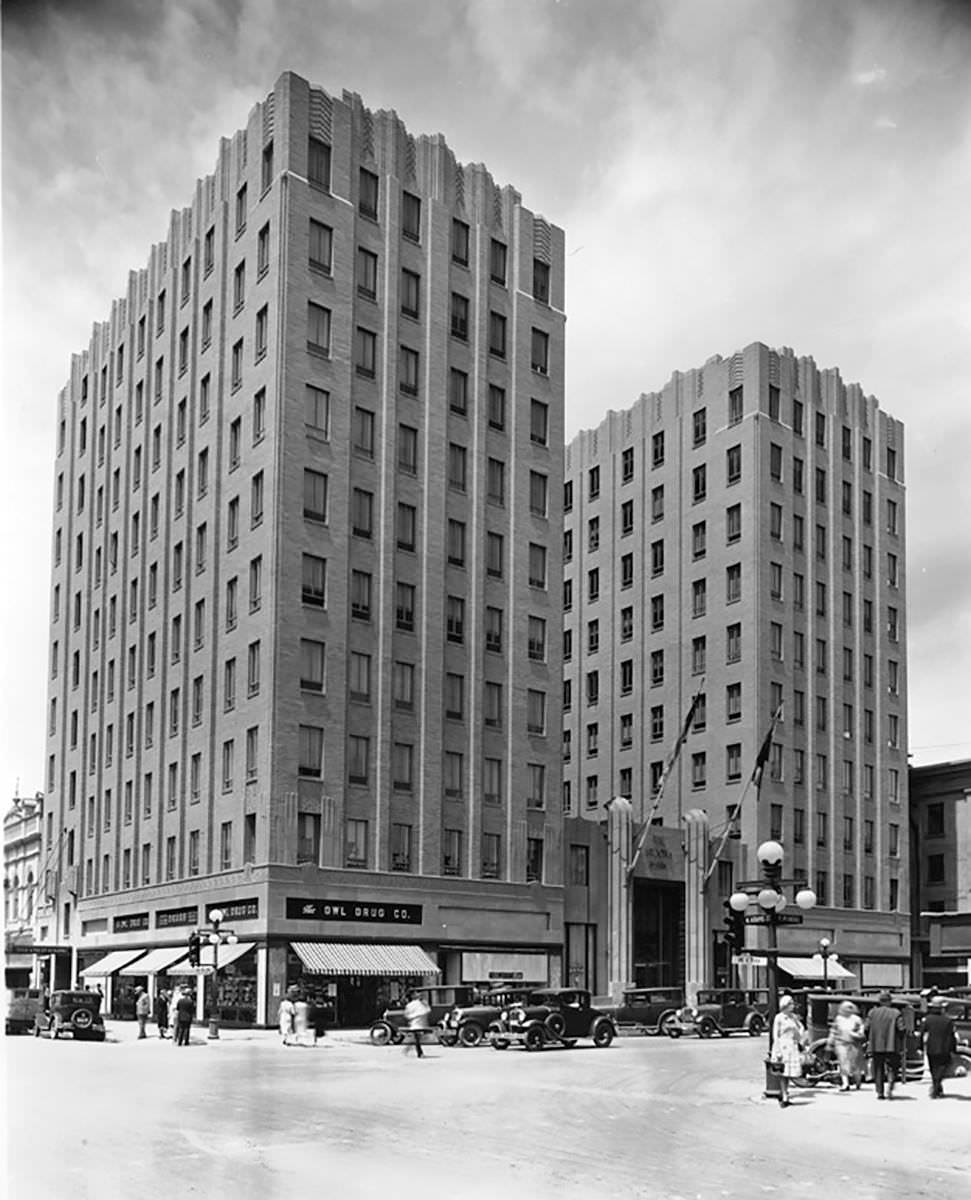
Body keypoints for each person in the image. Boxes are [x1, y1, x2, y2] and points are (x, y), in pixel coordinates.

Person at [865, 991, 905, 1100]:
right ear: (890, 1001)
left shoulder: (872, 1013)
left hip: (876, 1045)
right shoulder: (896, 1013)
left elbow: (866, 1028)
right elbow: (901, 1029)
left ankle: (880, 1092)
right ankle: (890, 1085)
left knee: (878, 1068)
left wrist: (869, 1039)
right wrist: (900, 1040)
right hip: (892, 1045)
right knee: (893, 1067)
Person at [770, 994, 807, 1107]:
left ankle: (785, 1093)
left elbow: (801, 1027)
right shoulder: (779, 1017)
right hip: (783, 1045)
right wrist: (777, 1049)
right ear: (785, 1005)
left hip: (792, 1045)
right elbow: (775, 1034)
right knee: (783, 1072)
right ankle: (784, 1096)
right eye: (790, 1004)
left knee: (789, 1073)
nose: (793, 1006)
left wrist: (798, 1037)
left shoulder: (793, 1017)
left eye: (792, 1004)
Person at [922, 996, 958, 1099]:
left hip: (931, 1047)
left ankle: (937, 1088)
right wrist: (953, 1048)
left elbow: (921, 1033)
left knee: (934, 1069)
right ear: (942, 1008)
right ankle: (936, 1087)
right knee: (943, 1068)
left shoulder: (927, 1019)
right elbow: (952, 1036)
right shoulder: (948, 1021)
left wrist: (919, 1046)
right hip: (944, 1048)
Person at [828, 999, 865, 1091]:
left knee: (855, 1064)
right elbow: (833, 1031)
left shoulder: (857, 1019)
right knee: (843, 1063)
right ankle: (845, 1084)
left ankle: (857, 1081)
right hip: (841, 1043)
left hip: (854, 1044)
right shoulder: (838, 1019)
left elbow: (861, 1030)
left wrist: (858, 1033)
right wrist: (830, 1042)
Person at [403, 990, 431, 1059]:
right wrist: (417, 1015)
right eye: (416, 993)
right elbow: (427, 1010)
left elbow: (407, 1015)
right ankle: (420, 1053)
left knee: (418, 1039)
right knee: (417, 1039)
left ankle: (409, 1047)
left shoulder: (421, 1003)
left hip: (421, 1024)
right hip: (415, 1025)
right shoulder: (411, 1005)